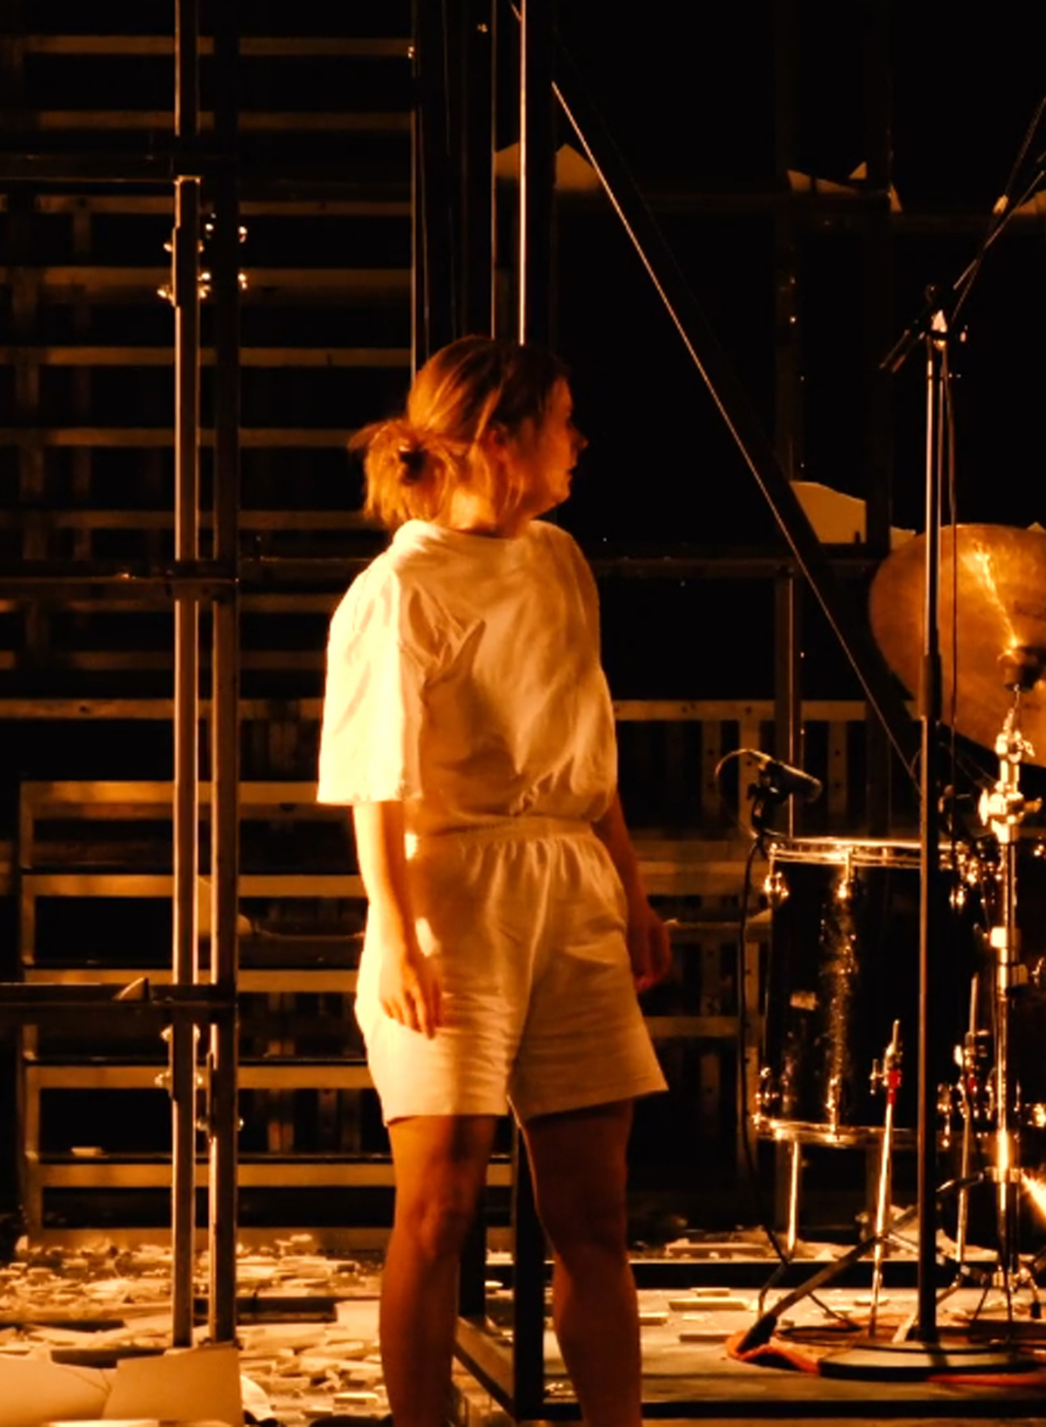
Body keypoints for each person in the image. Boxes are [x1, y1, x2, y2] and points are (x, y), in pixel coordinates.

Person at [318, 337, 671, 1427]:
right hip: (454, 885)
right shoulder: (399, 589)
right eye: (561, 417)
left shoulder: (557, 558)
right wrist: (398, 930)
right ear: (502, 436)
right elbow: (378, 780)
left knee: (592, 1208)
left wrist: (631, 885)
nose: (578, 439)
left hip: (564, 878)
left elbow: (585, 736)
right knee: (442, 1195)